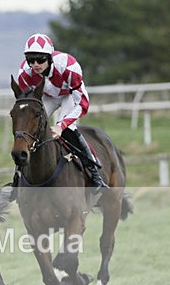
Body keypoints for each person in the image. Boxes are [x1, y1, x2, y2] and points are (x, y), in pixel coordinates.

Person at [15, 33, 107, 191]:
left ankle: (94, 174)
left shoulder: (69, 67)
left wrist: (61, 125)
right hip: (48, 98)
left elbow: (82, 104)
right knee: (27, 130)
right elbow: (27, 106)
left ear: (50, 57)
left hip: (69, 97)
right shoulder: (25, 74)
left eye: (40, 59)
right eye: (31, 59)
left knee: (69, 130)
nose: (36, 64)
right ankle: (17, 176)